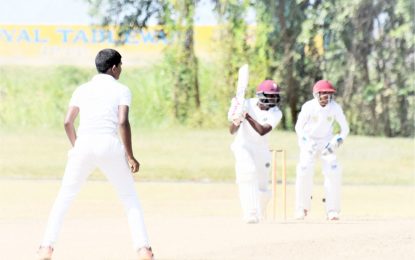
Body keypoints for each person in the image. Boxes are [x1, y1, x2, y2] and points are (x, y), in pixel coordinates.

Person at [37, 49, 154, 260]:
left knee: (64, 197)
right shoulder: (122, 89)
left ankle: (47, 247)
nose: (121, 70)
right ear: (114, 68)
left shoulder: (82, 89)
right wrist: (130, 155)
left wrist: (77, 147)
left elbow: (67, 122)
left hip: (84, 145)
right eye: (121, 66)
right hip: (109, 145)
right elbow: (122, 122)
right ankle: (143, 249)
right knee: (129, 198)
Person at [228, 79, 283, 224]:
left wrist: (247, 116)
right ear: (260, 95)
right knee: (248, 173)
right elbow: (232, 131)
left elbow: (262, 131)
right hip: (243, 146)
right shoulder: (245, 104)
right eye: (270, 96)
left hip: (261, 149)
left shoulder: (276, 113)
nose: (273, 99)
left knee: (262, 187)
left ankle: (260, 210)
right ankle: (250, 213)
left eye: (275, 96)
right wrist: (237, 118)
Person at [294, 79, 349, 221]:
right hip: (309, 141)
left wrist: (335, 142)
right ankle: (302, 208)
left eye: (329, 94)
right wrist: (306, 141)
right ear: (316, 94)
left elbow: (345, 129)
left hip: (326, 142)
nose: (326, 97)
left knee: (334, 171)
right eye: (323, 94)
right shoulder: (308, 107)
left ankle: (332, 210)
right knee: (304, 169)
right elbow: (298, 127)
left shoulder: (335, 107)